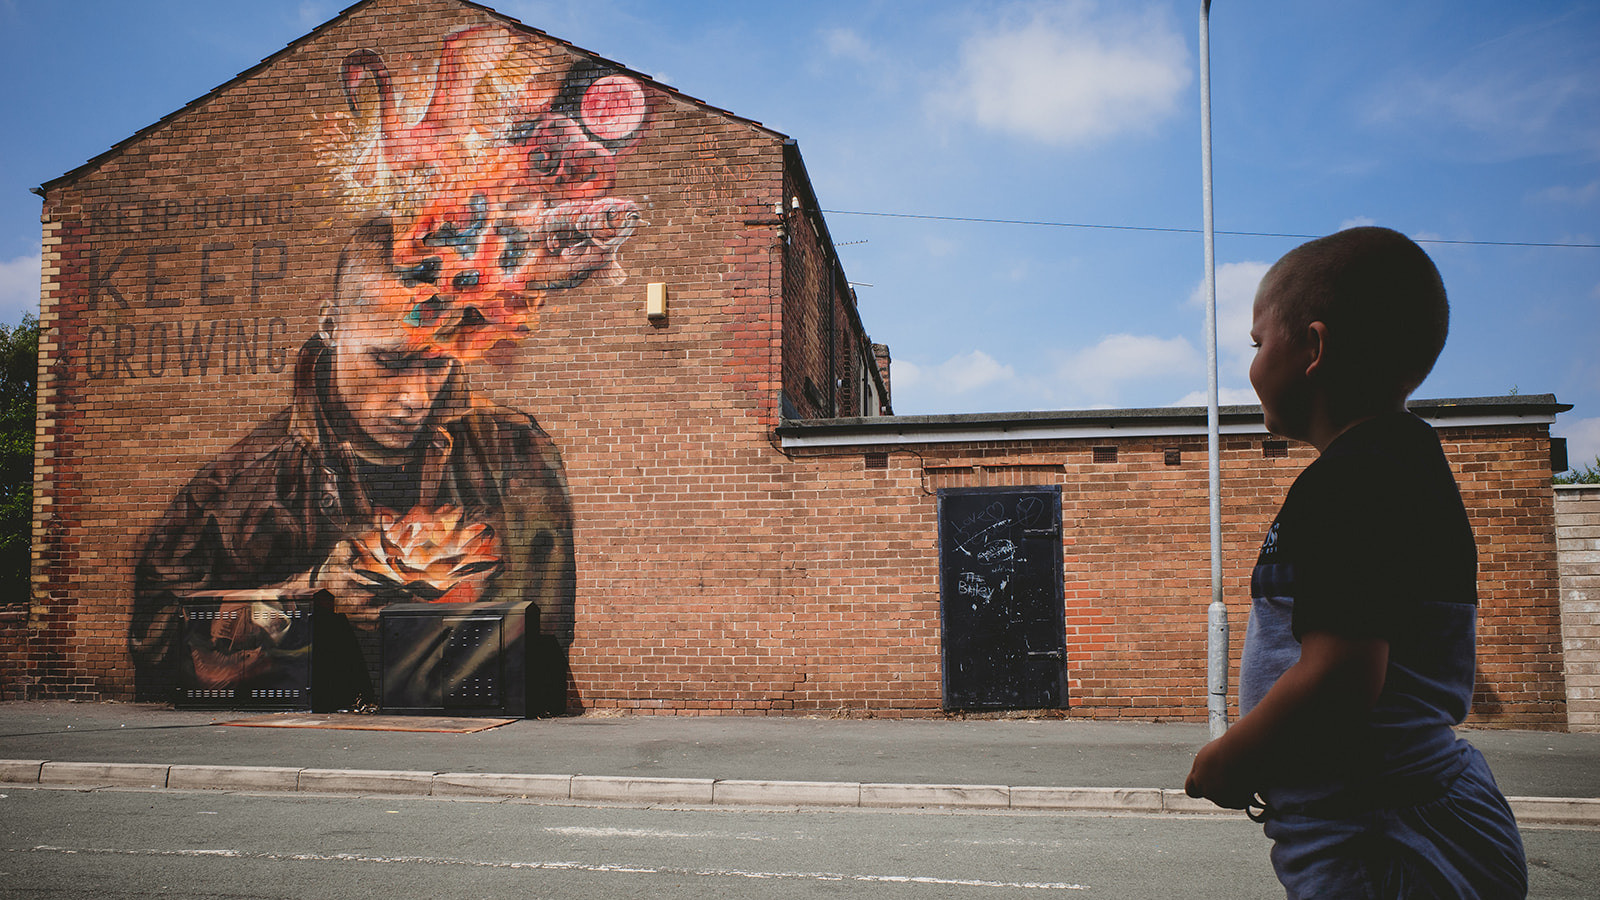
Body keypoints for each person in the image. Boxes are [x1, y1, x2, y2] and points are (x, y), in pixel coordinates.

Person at [1184, 227, 1528, 897]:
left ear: (1314, 347)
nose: (1251, 367)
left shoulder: (1353, 482)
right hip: (1410, 812)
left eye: (1258, 345)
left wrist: (1230, 759)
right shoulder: (1405, 465)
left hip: (1378, 833)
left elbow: (1341, 678)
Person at [130, 218, 576, 710]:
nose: (416, 398)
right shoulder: (240, 485)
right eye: (388, 362)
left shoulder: (515, 455)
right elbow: (153, 647)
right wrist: (300, 603)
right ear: (331, 325)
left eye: (436, 362)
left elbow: (547, 641)